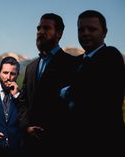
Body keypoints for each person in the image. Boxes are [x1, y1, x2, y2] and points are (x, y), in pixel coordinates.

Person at [61, 10, 125, 155]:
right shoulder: (76, 62)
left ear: (104, 32)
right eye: (81, 30)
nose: (85, 33)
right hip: (76, 145)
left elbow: (95, 95)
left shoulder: (111, 56)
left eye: (92, 29)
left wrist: (67, 92)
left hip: (105, 144)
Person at [17, 13, 78, 156]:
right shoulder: (31, 67)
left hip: (58, 145)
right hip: (30, 147)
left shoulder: (72, 64)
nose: (40, 32)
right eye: (38, 28)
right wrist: (26, 127)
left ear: (59, 33)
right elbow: (23, 101)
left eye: (46, 28)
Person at [0, 56, 23, 157]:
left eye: (12, 73)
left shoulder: (22, 97)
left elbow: (26, 118)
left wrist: (16, 96)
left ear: (17, 75)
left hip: (16, 152)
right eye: (5, 73)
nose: (8, 77)